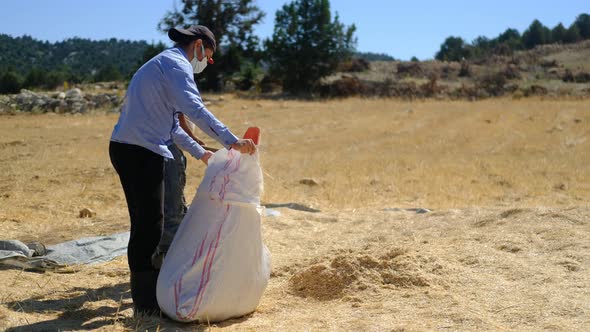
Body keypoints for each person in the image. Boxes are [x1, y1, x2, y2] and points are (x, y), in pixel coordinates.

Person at [109, 24, 256, 316]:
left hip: (128, 147)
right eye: (208, 56)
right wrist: (231, 141)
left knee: (147, 223)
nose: (205, 63)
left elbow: (174, 126)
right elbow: (194, 109)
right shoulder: (176, 65)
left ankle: (147, 300)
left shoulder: (162, 64)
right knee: (149, 226)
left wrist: (202, 153)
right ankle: (146, 306)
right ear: (199, 46)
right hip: (140, 151)